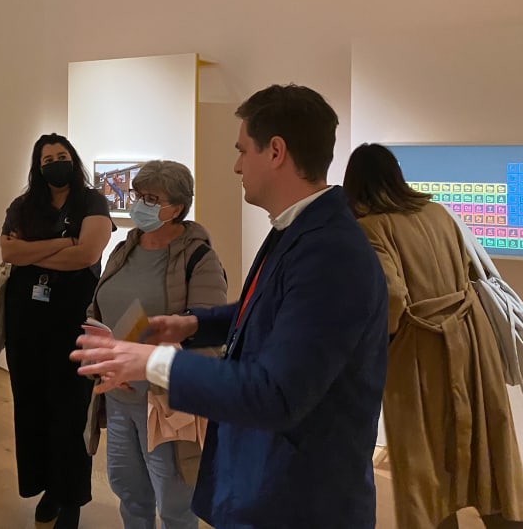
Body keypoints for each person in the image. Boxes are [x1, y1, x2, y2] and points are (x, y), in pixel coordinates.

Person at [71, 84, 389, 529]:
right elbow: (269, 309)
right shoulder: (299, 230)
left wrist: (152, 362)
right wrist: (193, 324)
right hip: (275, 483)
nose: (237, 165)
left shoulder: (329, 251)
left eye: (242, 150)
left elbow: (277, 393)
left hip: (300, 498)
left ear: (275, 151)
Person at [342, 143, 523, 529]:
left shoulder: (371, 228)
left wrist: (378, 345)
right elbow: (468, 270)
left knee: (424, 469)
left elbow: (392, 297)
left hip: (419, 355)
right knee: (489, 454)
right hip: (472, 344)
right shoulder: (439, 212)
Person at [86, 160, 227, 529]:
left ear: (176, 208)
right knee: (128, 491)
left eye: (151, 198)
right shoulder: (124, 249)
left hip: (165, 405)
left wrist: (145, 365)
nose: (139, 204)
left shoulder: (199, 259)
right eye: (138, 195)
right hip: (118, 397)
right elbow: (98, 306)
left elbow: (208, 338)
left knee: (175, 502)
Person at [0, 133, 114, 529]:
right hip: (25, 319)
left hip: (73, 318)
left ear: (73, 159)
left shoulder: (92, 201)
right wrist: (63, 243)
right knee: (31, 406)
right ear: (38, 166)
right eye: (47, 159)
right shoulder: (23, 205)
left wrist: (35, 252)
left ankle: (71, 497)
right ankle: (46, 486)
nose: (55, 163)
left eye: (61, 155)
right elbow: (9, 252)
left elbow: (87, 254)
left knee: (71, 409)